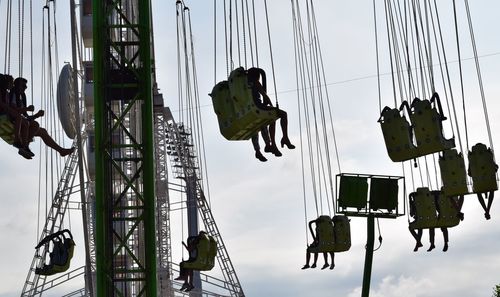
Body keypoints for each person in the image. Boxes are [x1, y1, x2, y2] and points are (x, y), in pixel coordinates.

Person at [8, 77, 74, 159]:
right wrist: (27, 109)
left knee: (43, 131)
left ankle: (61, 151)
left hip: (22, 122)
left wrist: (37, 115)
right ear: (17, 86)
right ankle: (24, 147)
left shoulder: (22, 96)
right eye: (24, 86)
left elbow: (25, 116)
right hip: (14, 121)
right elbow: (13, 109)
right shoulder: (13, 94)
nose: (26, 87)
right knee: (35, 124)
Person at [247, 68, 294, 159]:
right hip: (258, 106)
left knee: (257, 126)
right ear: (257, 76)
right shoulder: (256, 82)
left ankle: (260, 149)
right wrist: (273, 106)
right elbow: (265, 95)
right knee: (279, 114)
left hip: (250, 110)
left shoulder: (244, 85)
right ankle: (280, 140)